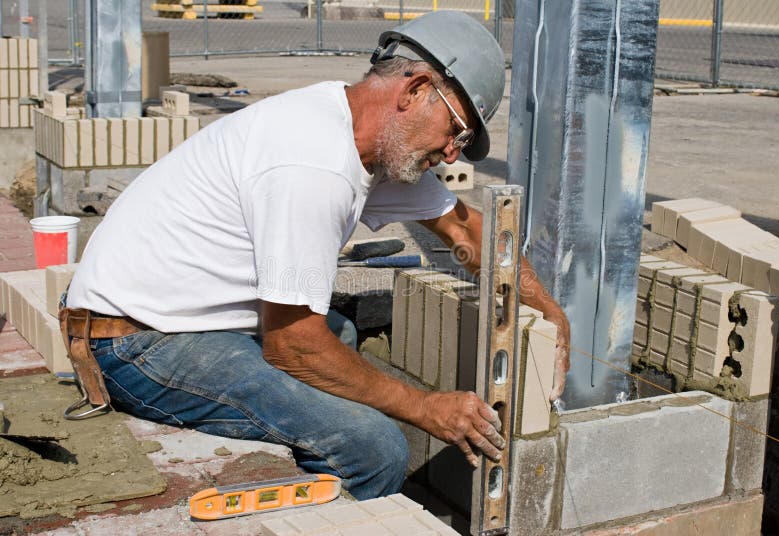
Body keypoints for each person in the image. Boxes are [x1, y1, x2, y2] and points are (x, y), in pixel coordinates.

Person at [62, 11, 570, 500]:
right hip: (135, 343)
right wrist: (426, 407)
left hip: (169, 312)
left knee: (342, 336)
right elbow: (292, 347)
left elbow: (469, 231)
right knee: (374, 448)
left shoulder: (361, 135)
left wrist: (549, 312)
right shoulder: (314, 164)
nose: (453, 154)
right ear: (416, 91)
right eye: (456, 132)